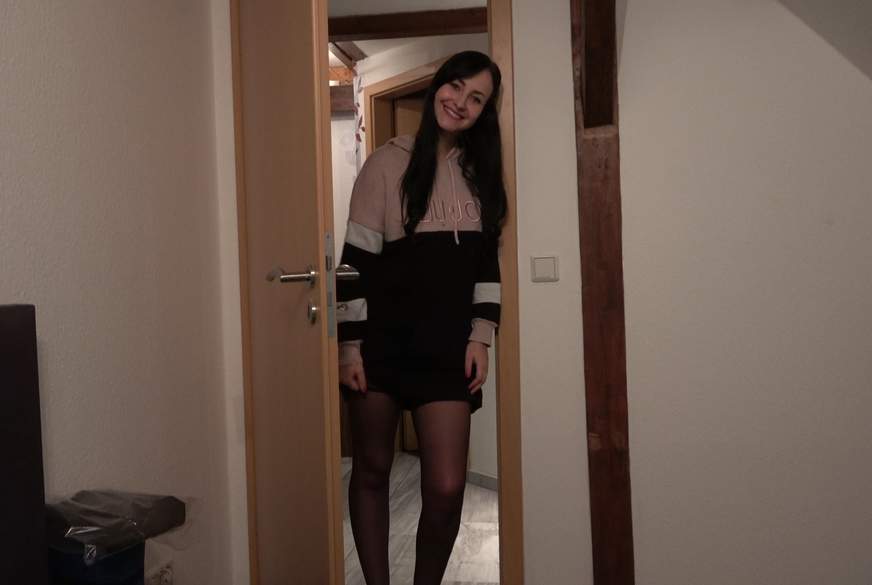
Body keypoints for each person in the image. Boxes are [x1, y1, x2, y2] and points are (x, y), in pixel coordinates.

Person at [336, 50, 506, 585]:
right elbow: (352, 265)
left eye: (476, 98)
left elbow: (486, 268)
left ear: (483, 112)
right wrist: (349, 345)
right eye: (456, 86)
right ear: (439, 85)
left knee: (447, 486)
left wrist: (481, 337)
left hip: (447, 349)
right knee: (372, 471)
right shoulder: (386, 163)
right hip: (380, 346)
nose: (460, 102)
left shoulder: (481, 175)